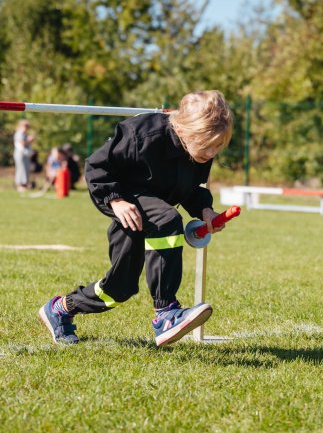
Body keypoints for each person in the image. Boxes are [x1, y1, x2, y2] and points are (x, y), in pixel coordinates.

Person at [39, 90, 233, 346]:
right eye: (208, 144)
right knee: (162, 227)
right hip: (126, 203)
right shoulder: (141, 134)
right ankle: (165, 314)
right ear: (187, 129)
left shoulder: (198, 153)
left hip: (151, 214)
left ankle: (62, 308)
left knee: (120, 288)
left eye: (219, 146)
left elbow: (189, 188)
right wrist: (116, 200)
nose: (212, 153)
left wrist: (205, 210)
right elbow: (97, 166)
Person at [13, 119, 34, 191]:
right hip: (20, 154)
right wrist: (29, 140)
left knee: (25, 169)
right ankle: (20, 185)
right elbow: (22, 143)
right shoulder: (19, 133)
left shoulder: (24, 133)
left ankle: (24, 184)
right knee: (21, 169)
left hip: (25, 154)